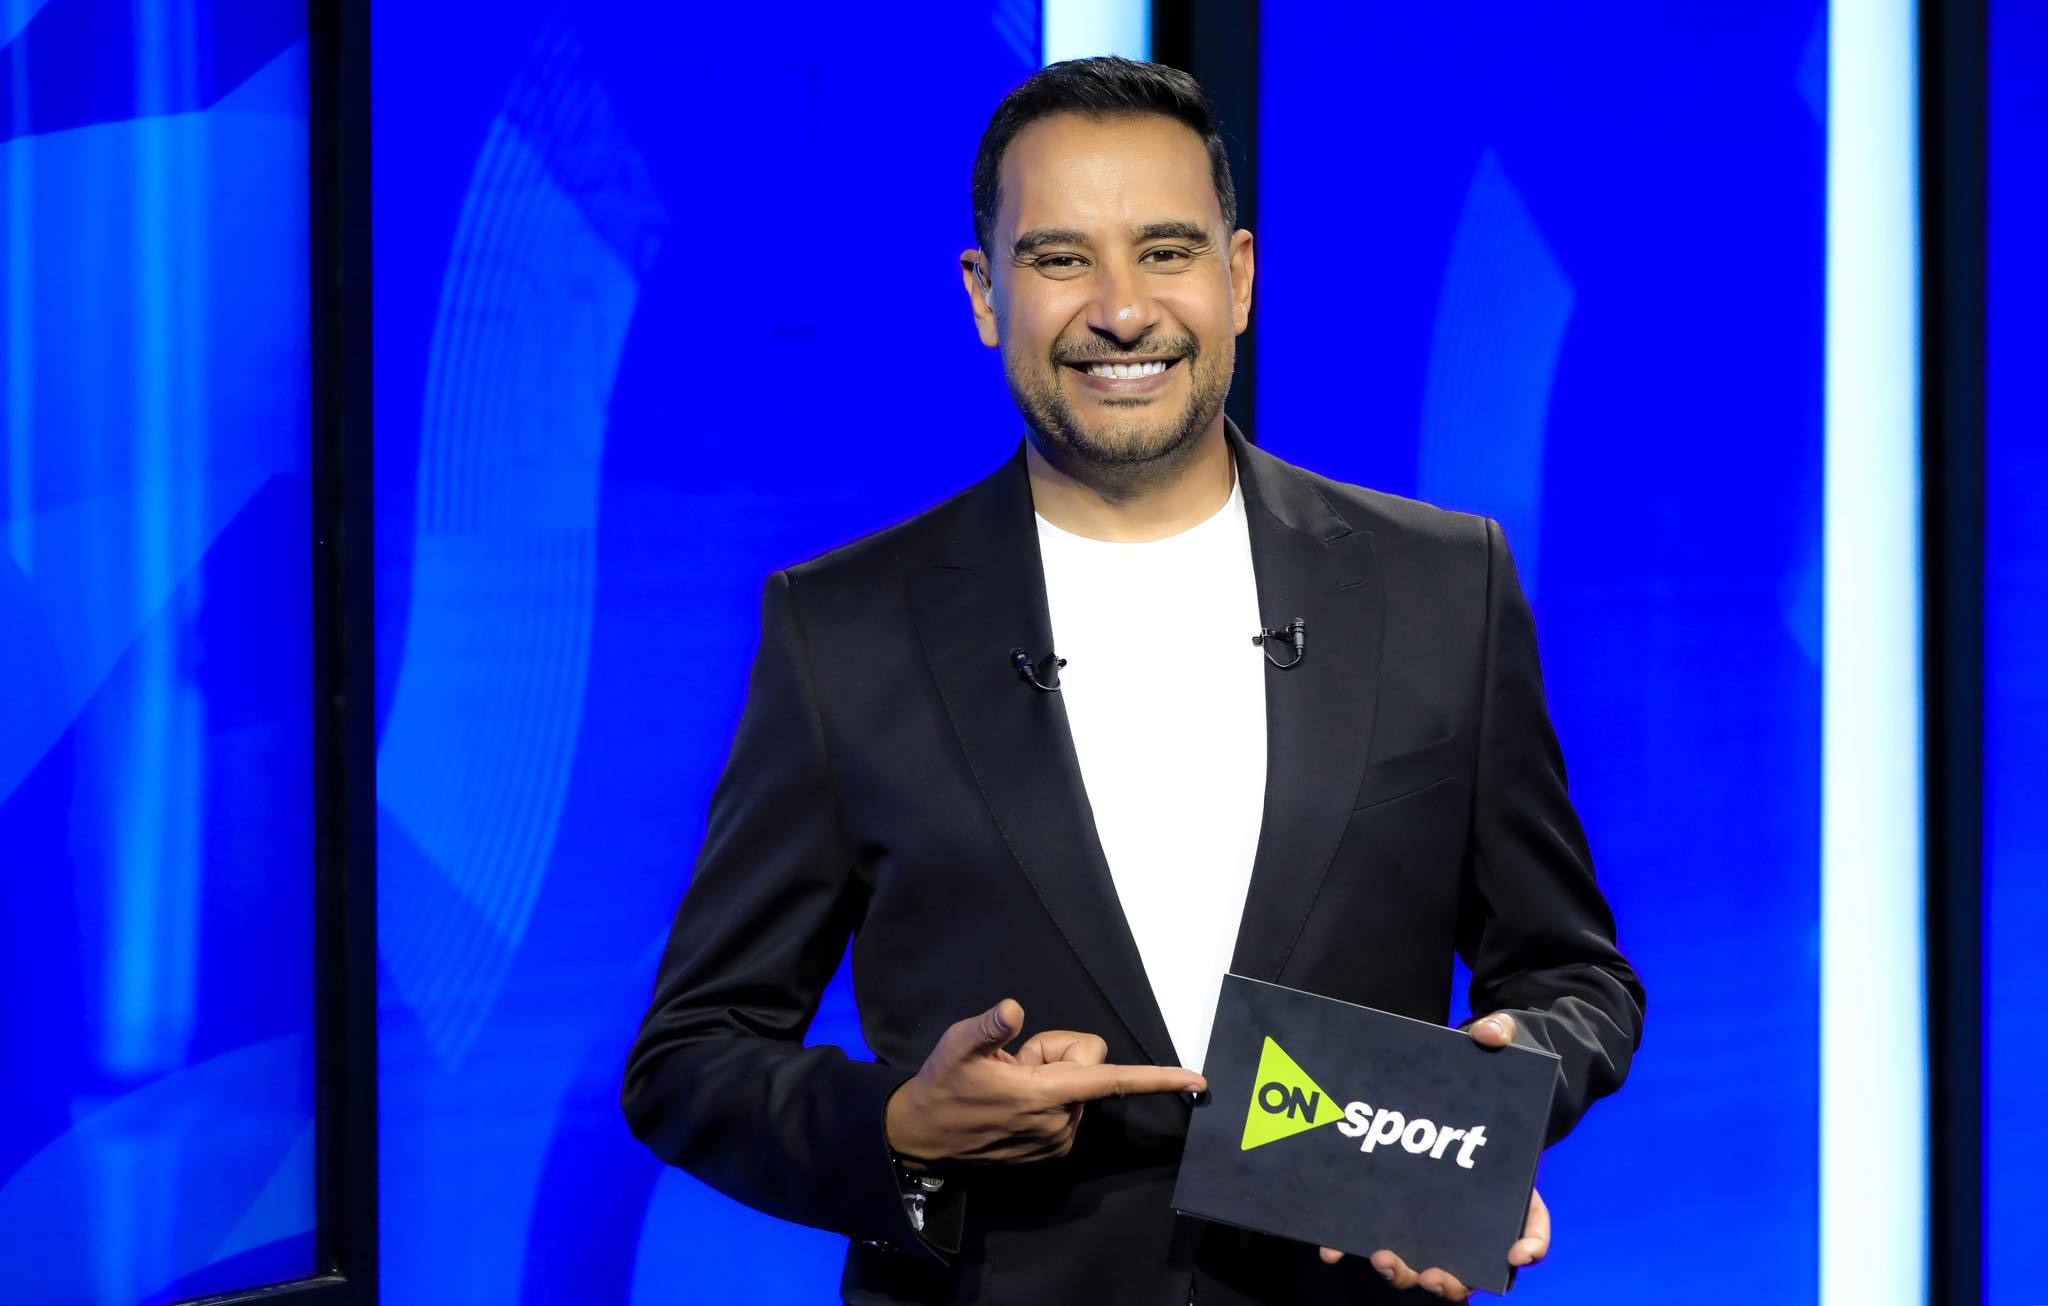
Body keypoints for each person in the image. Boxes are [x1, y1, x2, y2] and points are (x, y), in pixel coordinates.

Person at [622, 56, 1643, 1306]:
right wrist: (902, 1124)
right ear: (983, 293)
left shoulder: (1441, 585)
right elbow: (690, 1055)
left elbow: (1572, 977)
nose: (1119, 310)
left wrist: (1481, 1113)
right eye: (1059, 258)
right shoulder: (842, 629)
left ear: (1238, 278)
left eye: (1165, 251)